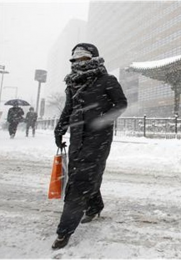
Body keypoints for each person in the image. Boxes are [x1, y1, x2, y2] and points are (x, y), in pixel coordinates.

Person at [52, 43, 128, 249]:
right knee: (83, 174)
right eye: (75, 59)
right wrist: (59, 130)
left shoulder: (107, 80)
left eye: (83, 58)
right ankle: (95, 207)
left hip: (98, 140)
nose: (79, 62)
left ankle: (64, 231)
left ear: (93, 59)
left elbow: (121, 104)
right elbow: (68, 109)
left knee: (80, 180)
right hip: (77, 138)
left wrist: (102, 120)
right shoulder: (73, 85)